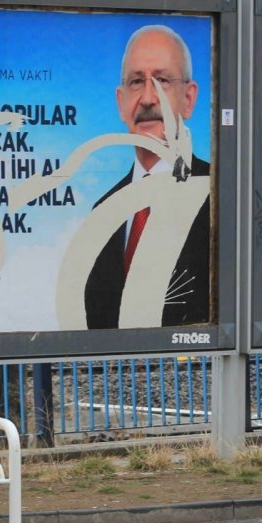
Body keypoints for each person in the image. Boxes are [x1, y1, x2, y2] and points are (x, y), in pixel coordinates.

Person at [85, 25, 212, 329]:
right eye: (136, 82)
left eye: (162, 80)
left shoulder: (223, 198)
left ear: (189, 98)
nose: (146, 98)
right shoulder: (102, 213)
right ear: (120, 102)